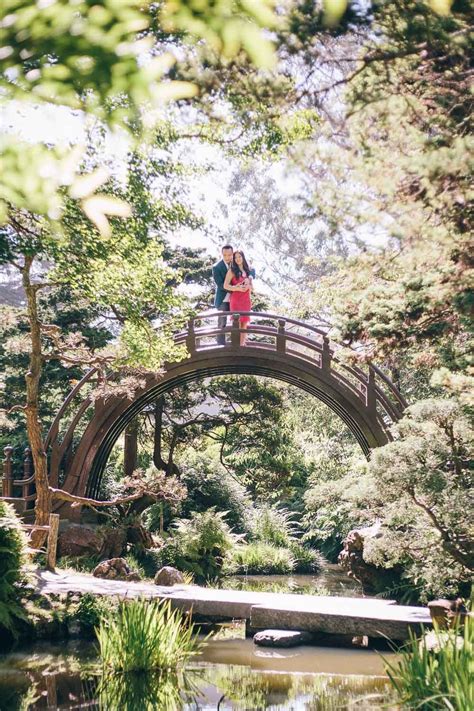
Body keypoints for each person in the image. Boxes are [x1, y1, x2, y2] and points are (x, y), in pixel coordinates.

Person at [212, 244, 255, 345]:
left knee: (242, 322)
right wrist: (237, 288)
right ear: (222, 254)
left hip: (239, 299)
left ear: (232, 254)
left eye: (229, 255)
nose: (227, 257)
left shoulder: (236, 262)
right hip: (224, 299)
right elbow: (221, 285)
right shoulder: (217, 267)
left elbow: (251, 269)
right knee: (222, 323)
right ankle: (221, 345)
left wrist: (250, 278)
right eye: (225, 255)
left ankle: (240, 344)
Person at [224, 249, 253, 346]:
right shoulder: (232, 271)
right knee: (237, 323)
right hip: (236, 300)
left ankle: (242, 344)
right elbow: (225, 285)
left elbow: (252, 288)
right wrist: (236, 288)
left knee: (244, 323)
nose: (238, 259)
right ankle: (236, 346)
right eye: (235, 257)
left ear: (243, 257)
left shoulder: (248, 271)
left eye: (239, 257)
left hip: (246, 300)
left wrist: (249, 285)